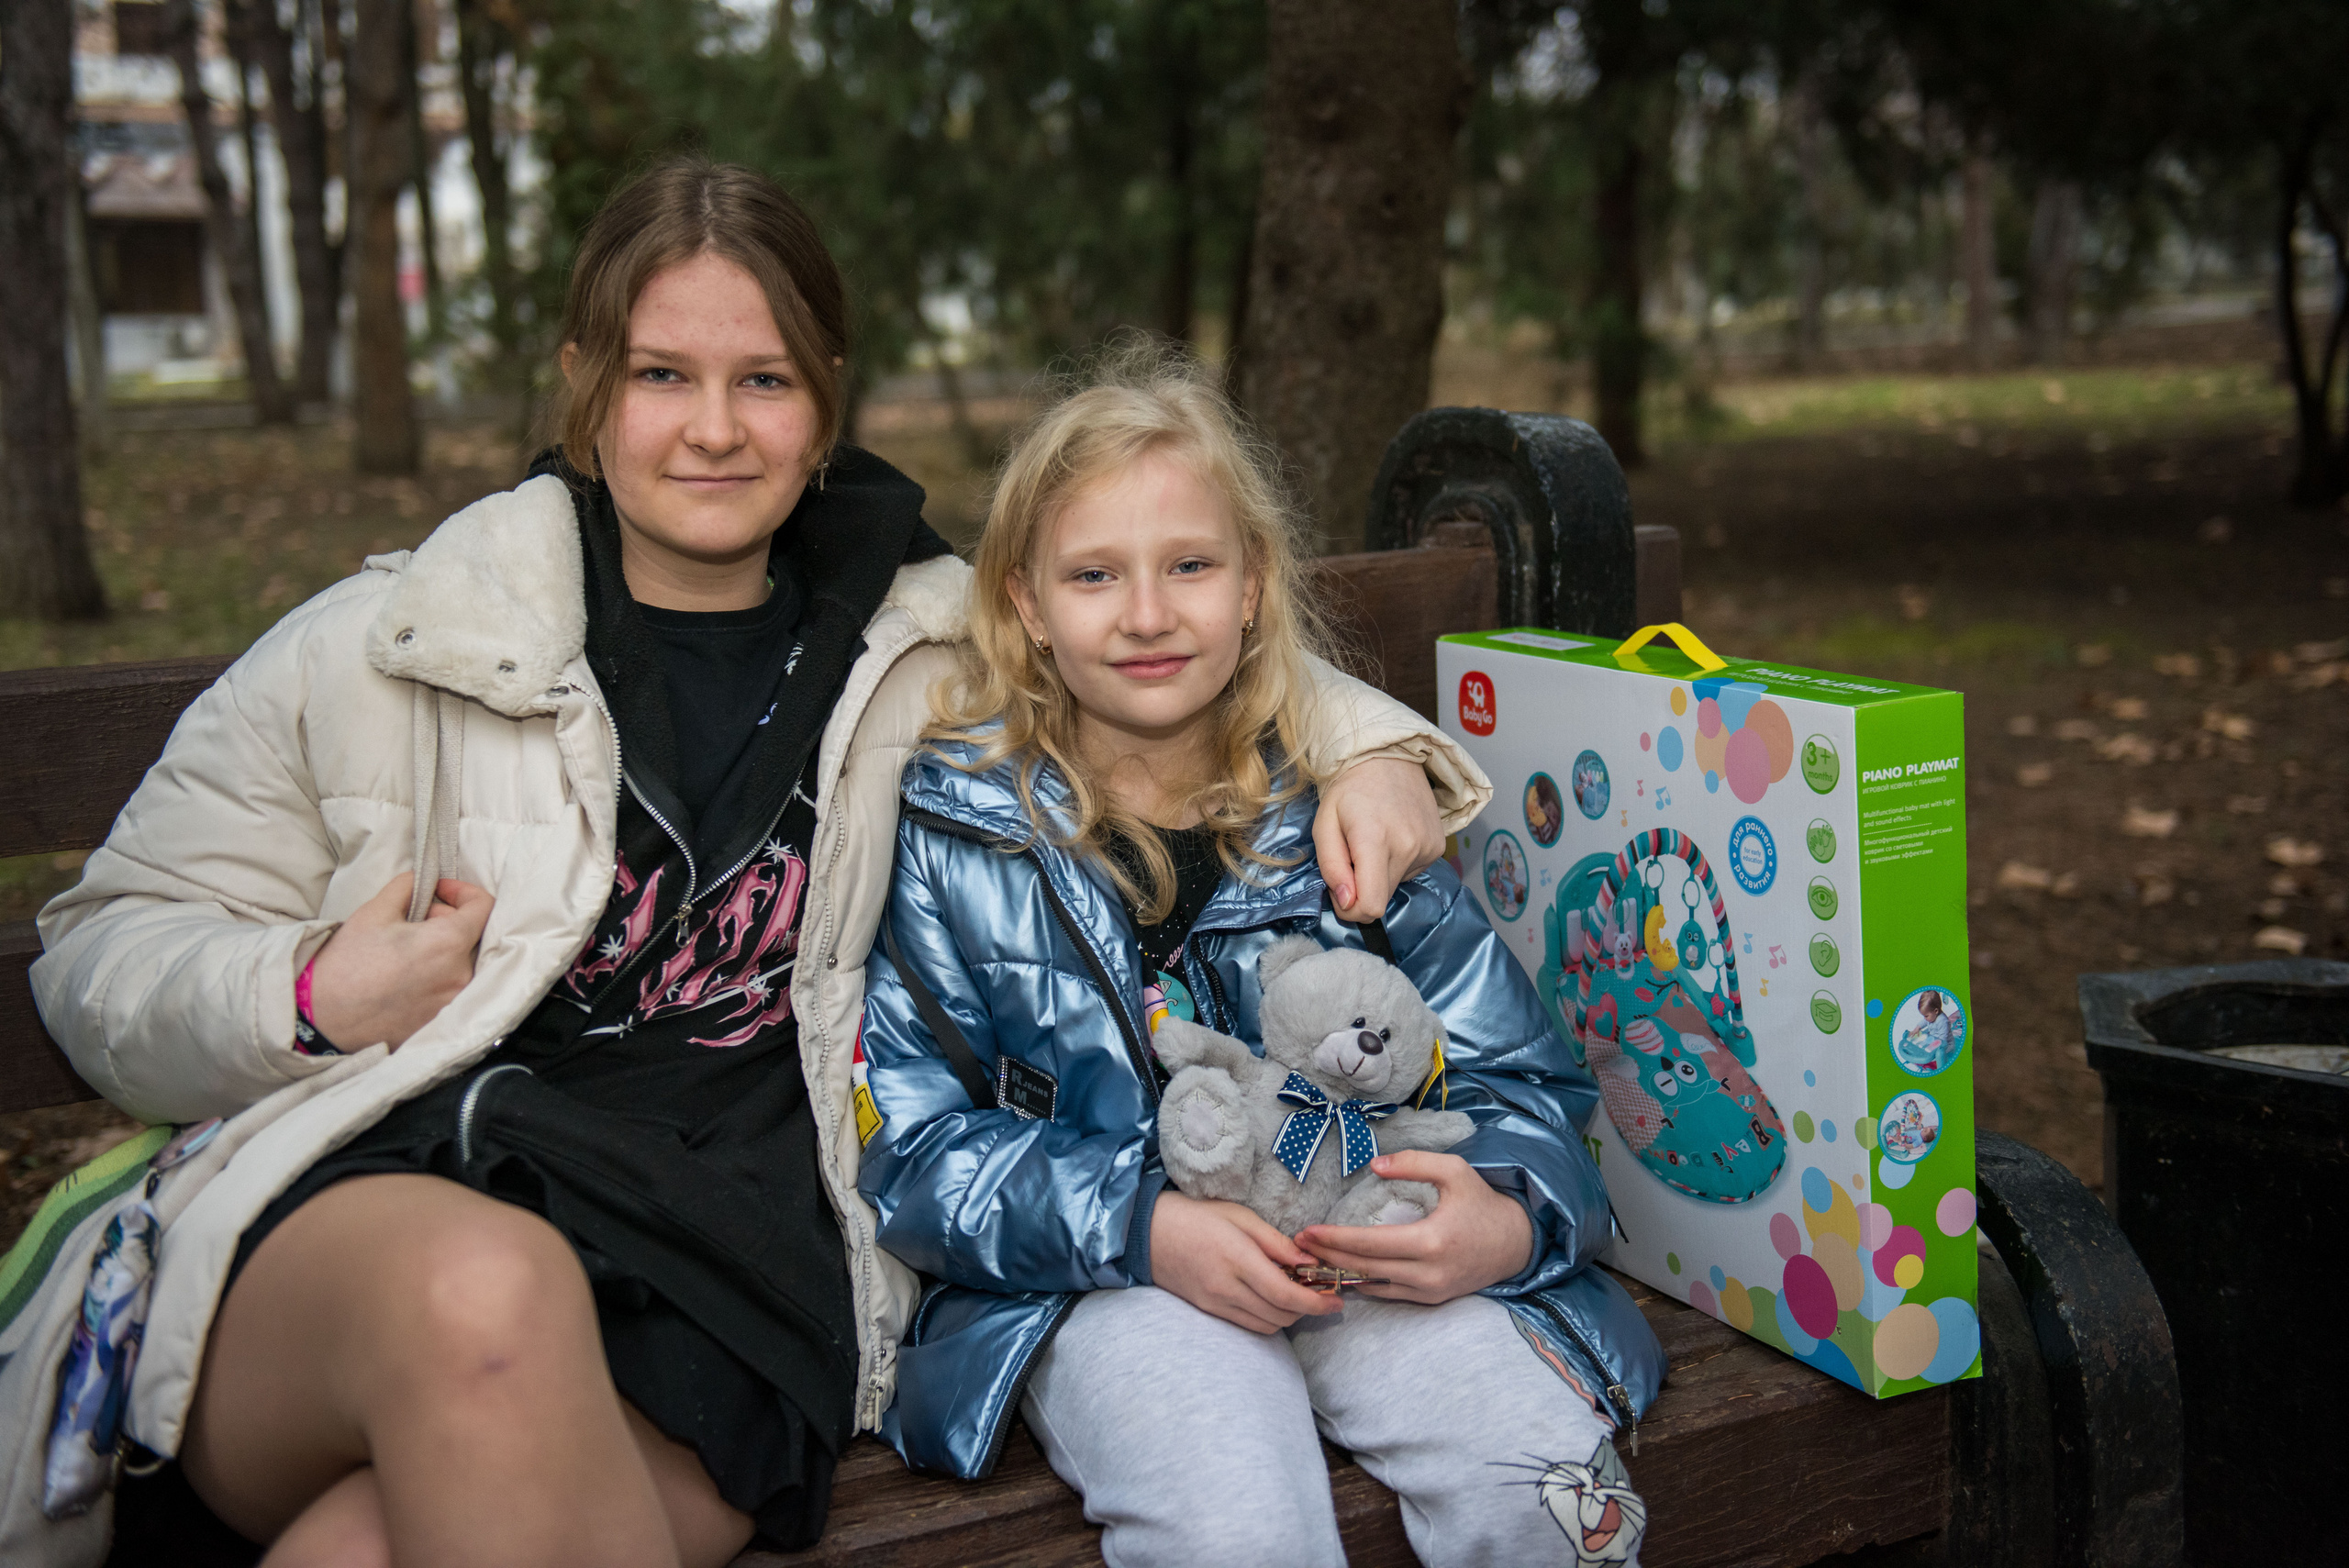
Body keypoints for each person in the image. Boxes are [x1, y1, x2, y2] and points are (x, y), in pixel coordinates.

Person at [7, 161, 1483, 1568]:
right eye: (662, 374)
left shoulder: (919, 643)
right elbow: (100, 946)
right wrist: (315, 987)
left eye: (763, 379)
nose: (713, 427)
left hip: (727, 1288)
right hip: (398, 1221)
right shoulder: (408, 637)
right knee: (485, 1291)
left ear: (825, 403)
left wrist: (1368, 747)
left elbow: (1160, 639)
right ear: (588, 382)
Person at [855, 345, 1665, 1568]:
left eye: (1190, 564)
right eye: (1093, 573)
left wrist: (1505, 1217)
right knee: (1234, 1520)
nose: (1146, 611)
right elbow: (912, 1152)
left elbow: (1533, 1090)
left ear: (1252, 586)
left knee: (1540, 1479)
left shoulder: (1352, 817)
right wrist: (1140, 1223)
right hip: (1109, 1277)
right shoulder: (959, 838)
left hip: (1364, 1230)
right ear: (1023, 603)